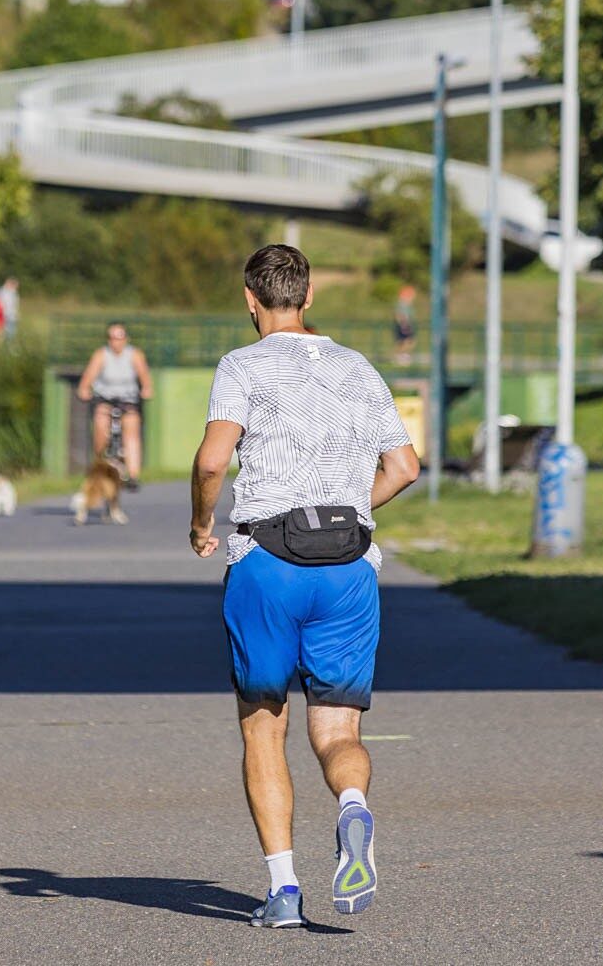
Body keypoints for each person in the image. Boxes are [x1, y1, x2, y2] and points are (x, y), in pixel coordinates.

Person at [189, 245, 420, 929]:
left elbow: (211, 460)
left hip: (269, 560)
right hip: (349, 565)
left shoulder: (243, 364)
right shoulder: (357, 365)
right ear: (309, 297)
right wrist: (358, 505)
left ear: (249, 299)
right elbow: (404, 466)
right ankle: (354, 810)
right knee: (336, 729)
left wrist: (202, 523)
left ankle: (284, 892)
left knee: (265, 726)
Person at [76, 322, 153, 487]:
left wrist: (146, 389)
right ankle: (99, 463)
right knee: (100, 425)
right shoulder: (101, 355)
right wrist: (84, 389)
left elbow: (145, 377)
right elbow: (88, 377)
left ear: (126, 339)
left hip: (128, 399)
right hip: (105, 398)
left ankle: (133, 474)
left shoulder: (135, 355)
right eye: (112, 338)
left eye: (120, 337)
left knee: (131, 430)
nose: (116, 342)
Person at [392, 284, 416, 365]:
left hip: (407, 324)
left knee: (409, 341)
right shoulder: (402, 305)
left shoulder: (407, 305)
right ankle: (400, 357)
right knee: (403, 341)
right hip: (404, 325)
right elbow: (399, 315)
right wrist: (403, 324)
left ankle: (404, 356)